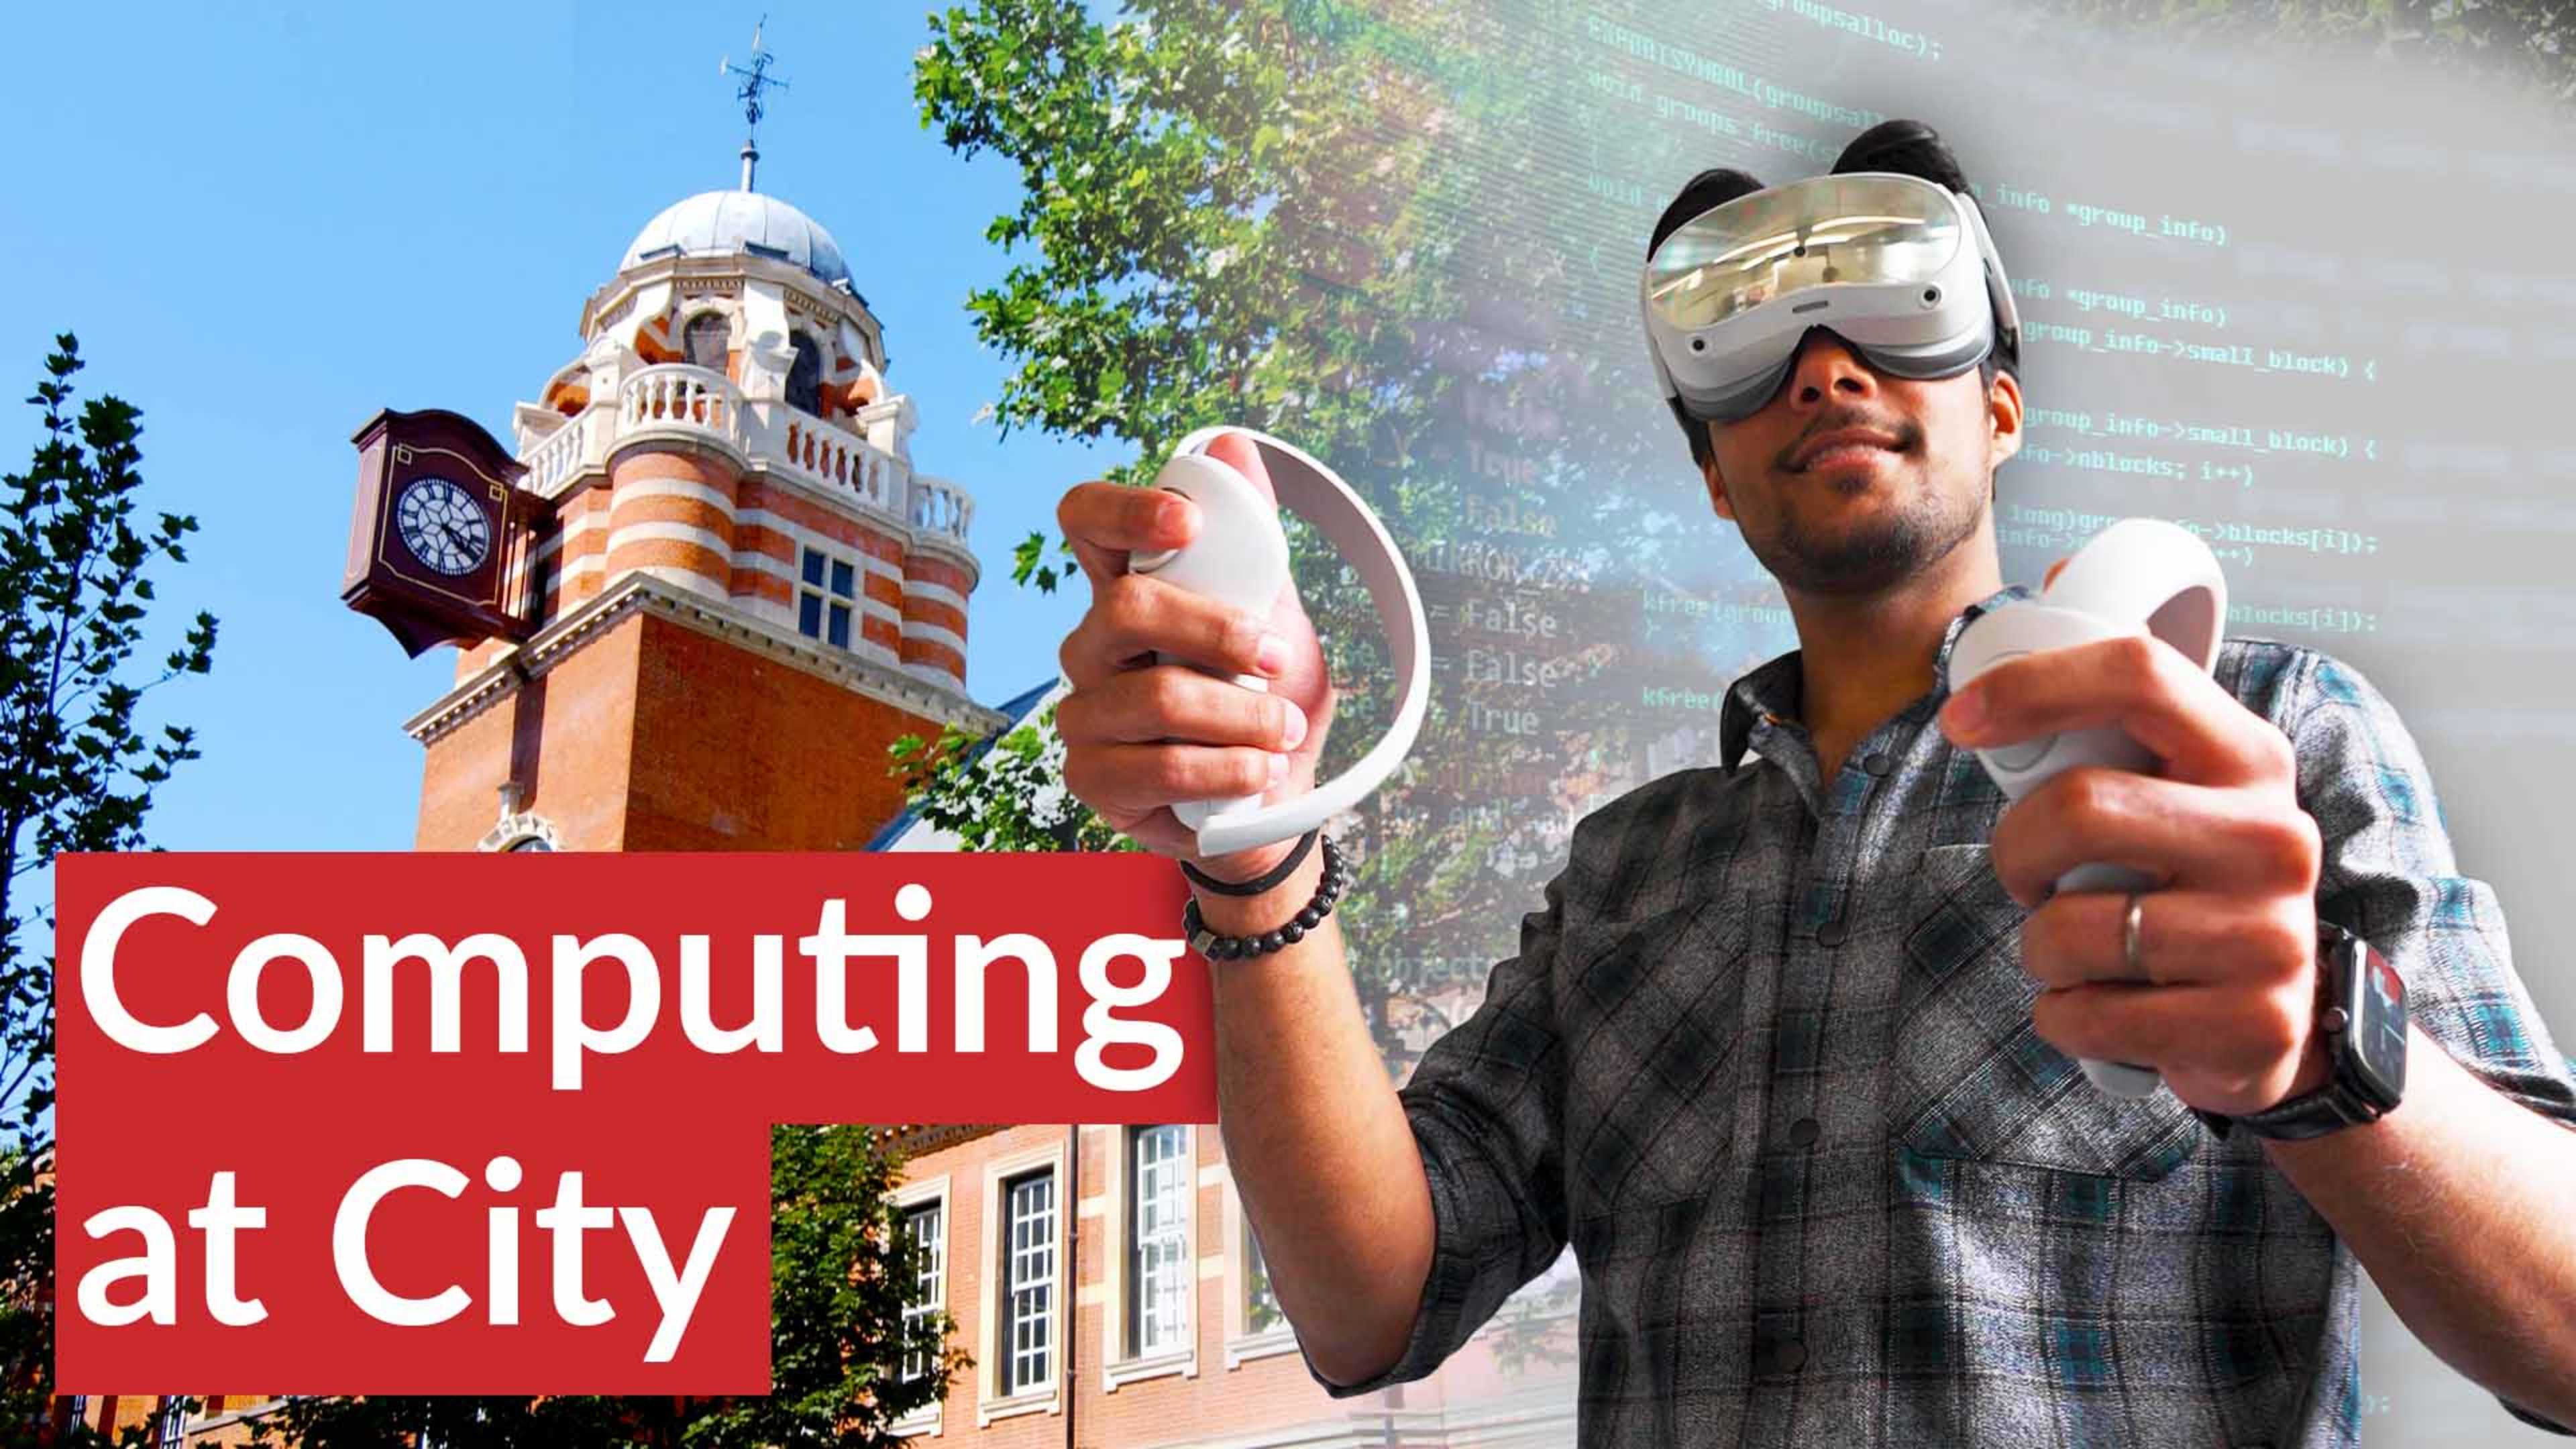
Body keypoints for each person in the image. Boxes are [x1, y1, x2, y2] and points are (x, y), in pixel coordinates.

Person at [1051, 119, 2576, 1444]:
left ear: (2000, 404)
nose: (1828, 366)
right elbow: (1368, 1306)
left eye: (1895, 311)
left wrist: (2322, 1044)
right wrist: (1253, 837)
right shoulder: (1622, 878)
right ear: (1712, 475)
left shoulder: (2264, 735)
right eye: (1750, 344)